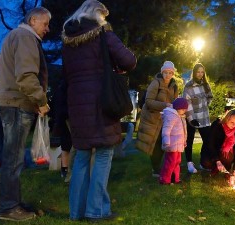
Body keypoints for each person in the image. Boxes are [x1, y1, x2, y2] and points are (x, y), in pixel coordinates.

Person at [61, 0, 136, 221]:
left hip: (77, 103)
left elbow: (65, 75)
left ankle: (76, 212)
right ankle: (96, 210)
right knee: (104, 154)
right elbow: (128, 61)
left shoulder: (67, 40)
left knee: (82, 156)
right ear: (98, 14)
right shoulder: (103, 33)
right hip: (102, 101)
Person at [0, 7, 51, 221]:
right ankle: (9, 207)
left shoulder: (18, 36)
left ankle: (13, 203)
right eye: (45, 23)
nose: (48, 28)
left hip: (13, 102)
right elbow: (27, 76)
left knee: (14, 157)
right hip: (17, 105)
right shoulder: (25, 37)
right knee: (14, 158)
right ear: (33, 20)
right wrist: (41, 101)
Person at [136, 61, 179, 177]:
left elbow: (175, 102)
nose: (168, 75)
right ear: (162, 72)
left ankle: (162, 167)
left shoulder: (174, 86)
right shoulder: (156, 83)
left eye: (170, 72)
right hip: (153, 118)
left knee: (164, 143)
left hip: (166, 119)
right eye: (165, 72)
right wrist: (165, 105)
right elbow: (148, 101)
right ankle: (156, 169)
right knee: (155, 144)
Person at [182, 63, 213, 173]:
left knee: (208, 140)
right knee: (189, 140)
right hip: (192, 118)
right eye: (198, 72)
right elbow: (186, 102)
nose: (200, 74)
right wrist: (191, 118)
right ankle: (189, 163)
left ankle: (203, 162)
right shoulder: (189, 86)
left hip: (204, 117)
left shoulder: (206, 85)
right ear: (194, 72)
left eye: (202, 72)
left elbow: (210, 97)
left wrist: (204, 105)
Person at [200, 109, 235, 183]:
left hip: (227, 154)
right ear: (227, 119)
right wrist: (217, 161)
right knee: (206, 162)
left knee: (227, 159)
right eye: (232, 122)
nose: (234, 125)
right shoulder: (217, 125)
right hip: (213, 152)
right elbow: (210, 144)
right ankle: (215, 167)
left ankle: (225, 168)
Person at [159, 98, 188, 185]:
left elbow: (183, 131)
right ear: (178, 108)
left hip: (178, 145)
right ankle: (165, 179)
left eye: (185, 110)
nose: (184, 111)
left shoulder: (180, 117)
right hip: (171, 145)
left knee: (177, 162)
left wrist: (184, 141)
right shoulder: (171, 116)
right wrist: (166, 141)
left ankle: (175, 178)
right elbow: (166, 129)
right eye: (183, 109)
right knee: (170, 162)